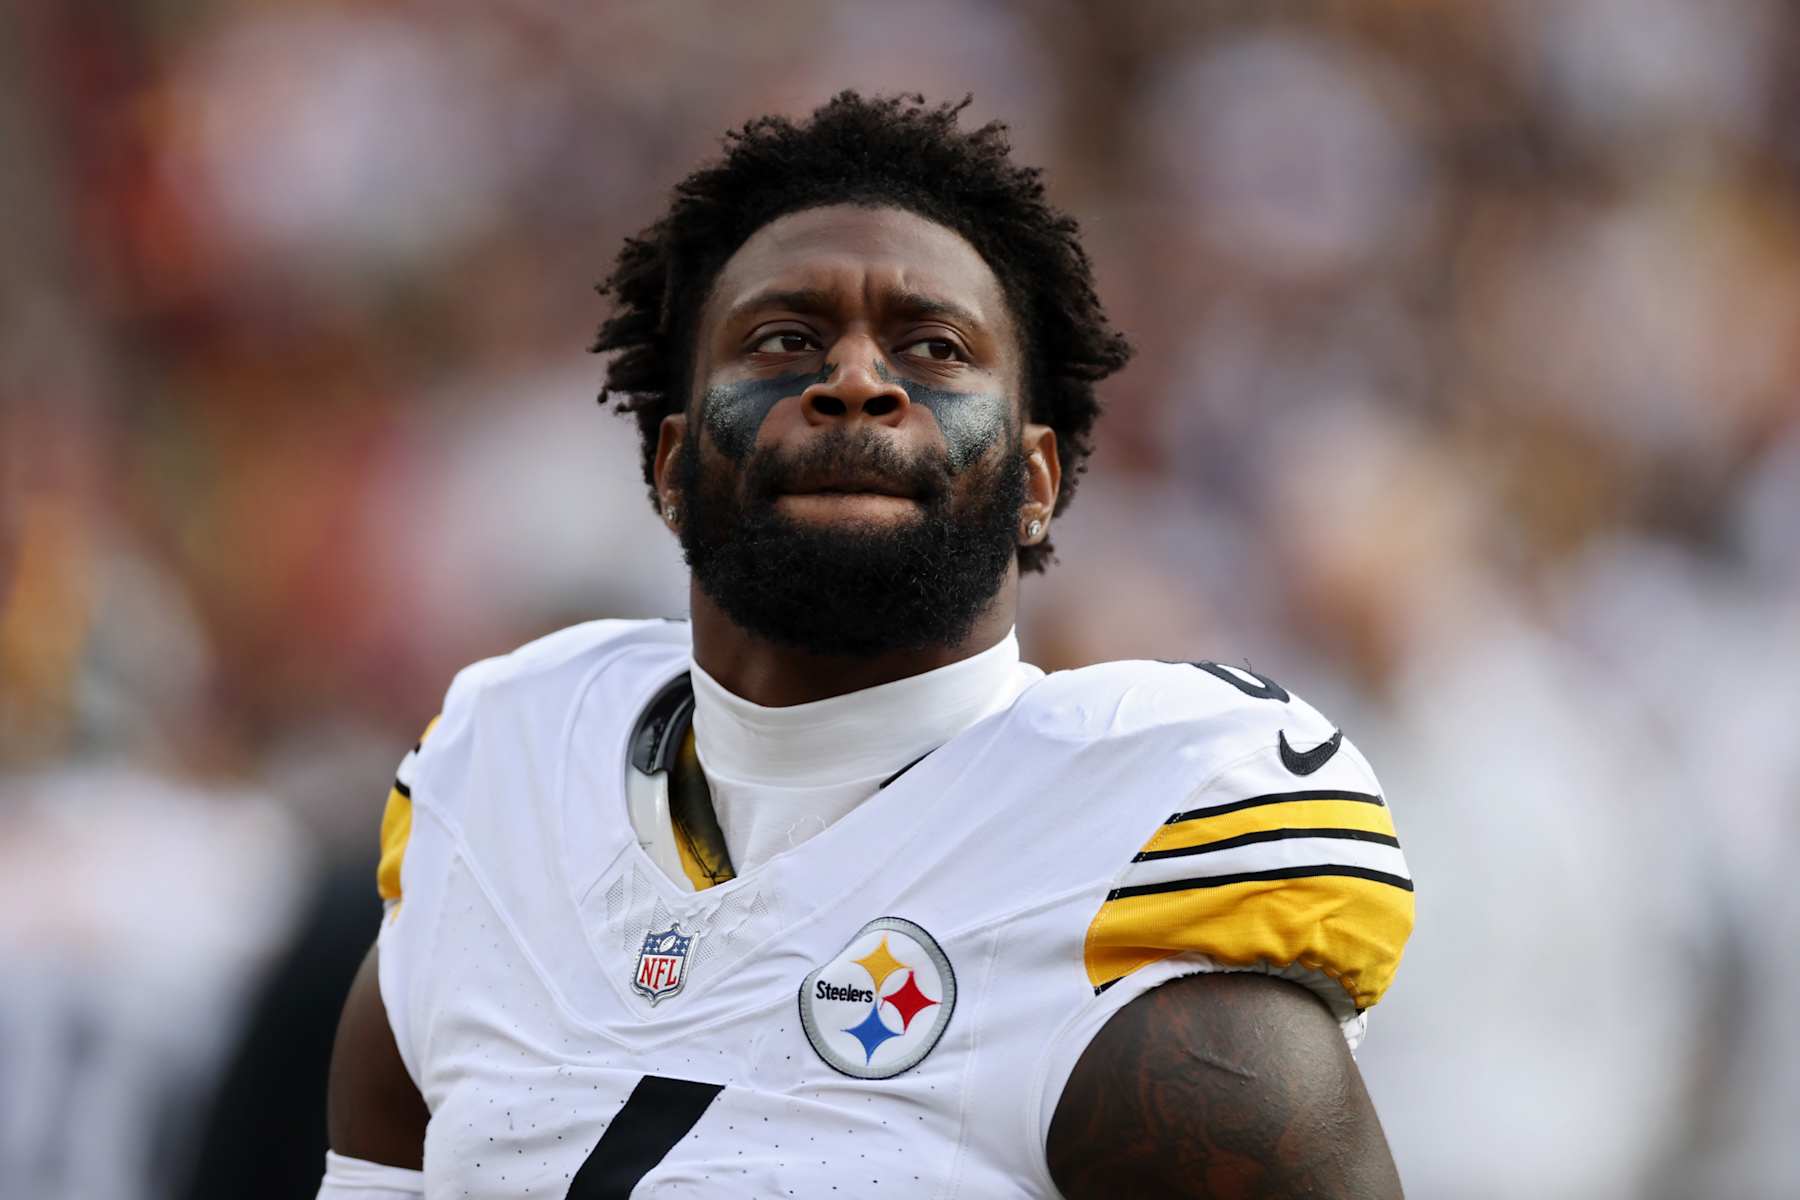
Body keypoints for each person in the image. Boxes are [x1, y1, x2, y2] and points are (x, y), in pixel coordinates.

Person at [318, 92, 1414, 1199]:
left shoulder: (1129, 845)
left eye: (933, 349)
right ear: (670, 466)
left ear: (1037, 484)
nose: (854, 380)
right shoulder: (508, 775)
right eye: (784, 339)